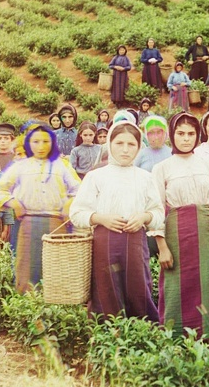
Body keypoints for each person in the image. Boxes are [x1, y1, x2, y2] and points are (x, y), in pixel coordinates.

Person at [70, 120, 165, 320]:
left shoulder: (145, 177)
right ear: (109, 145)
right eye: (119, 143)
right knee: (106, 289)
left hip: (135, 242)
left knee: (138, 287)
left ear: (139, 147)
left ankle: (141, 335)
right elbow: (77, 213)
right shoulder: (96, 177)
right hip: (104, 244)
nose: (125, 150)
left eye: (131, 144)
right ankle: (108, 336)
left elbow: (158, 213)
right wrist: (101, 218)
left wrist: (143, 217)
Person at [152, 112, 209, 337]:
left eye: (191, 133)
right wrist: (162, 246)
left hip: (207, 234)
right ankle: (176, 335)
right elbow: (156, 209)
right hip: (177, 235)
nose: (186, 138)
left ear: (198, 136)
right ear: (171, 135)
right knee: (178, 284)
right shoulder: (162, 168)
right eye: (180, 133)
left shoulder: (206, 164)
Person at [0, 123, 81, 293]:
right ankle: (27, 309)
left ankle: (54, 309)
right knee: (26, 266)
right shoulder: (20, 166)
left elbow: (79, 190)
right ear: (28, 143)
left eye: (45, 141)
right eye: (36, 141)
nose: (41, 146)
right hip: (28, 224)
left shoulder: (62, 165)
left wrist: (69, 205)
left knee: (55, 268)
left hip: (57, 224)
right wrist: (13, 203)